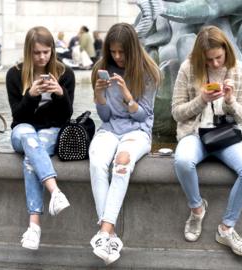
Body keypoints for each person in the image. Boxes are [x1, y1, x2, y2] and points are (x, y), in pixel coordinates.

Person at [171, 26, 242, 256]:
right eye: (209, 60)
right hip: (194, 134)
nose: (216, 64)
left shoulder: (237, 70)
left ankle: (226, 228)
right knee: (182, 161)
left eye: (219, 57)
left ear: (226, 51)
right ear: (201, 57)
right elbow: (177, 113)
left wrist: (229, 100)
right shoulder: (188, 69)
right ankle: (197, 209)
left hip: (225, 134)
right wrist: (201, 99)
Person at [89, 22, 161, 265]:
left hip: (137, 131)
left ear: (133, 50)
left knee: (121, 163)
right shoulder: (102, 69)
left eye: (122, 52)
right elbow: (106, 117)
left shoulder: (148, 72)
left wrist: (129, 97)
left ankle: (104, 231)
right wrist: (99, 95)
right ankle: (110, 236)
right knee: (98, 162)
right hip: (110, 129)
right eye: (113, 52)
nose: (117, 57)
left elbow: (144, 116)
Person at [5, 26, 75, 250]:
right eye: (37, 53)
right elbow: (18, 115)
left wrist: (60, 94)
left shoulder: (65, 73)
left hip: (51, 131)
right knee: (28, 135)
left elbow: (65, 116)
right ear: (28, 51)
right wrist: (31, 96)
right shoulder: (14, 74)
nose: (42, 57)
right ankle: (55, 192)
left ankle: (34, 226)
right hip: (22, 131)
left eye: (46, 51)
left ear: (53, 50)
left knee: (30, 158)